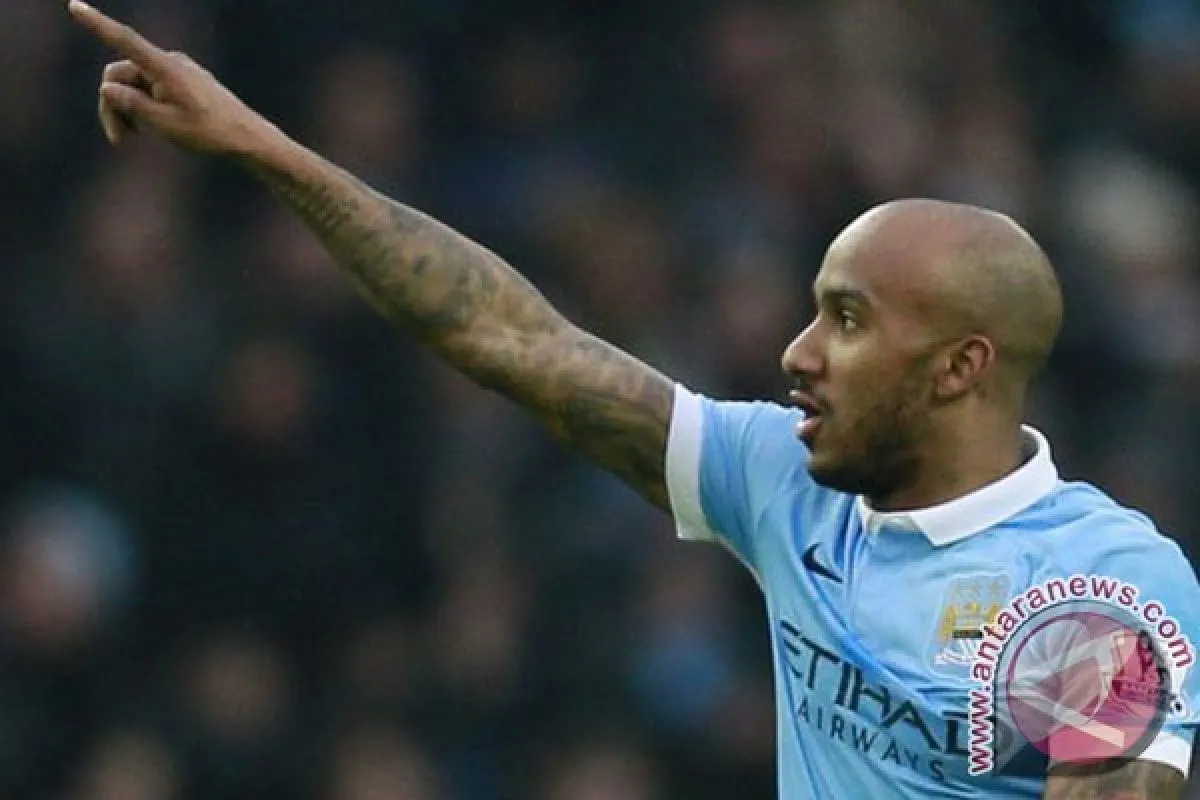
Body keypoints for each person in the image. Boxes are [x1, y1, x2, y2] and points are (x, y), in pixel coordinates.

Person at [68, 2, 1200, 798]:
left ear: (960, 367)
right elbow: (511, 337)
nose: (799, 351)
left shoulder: (1097, 584)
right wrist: (263, 146)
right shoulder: (784, 482)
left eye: (849, 320)